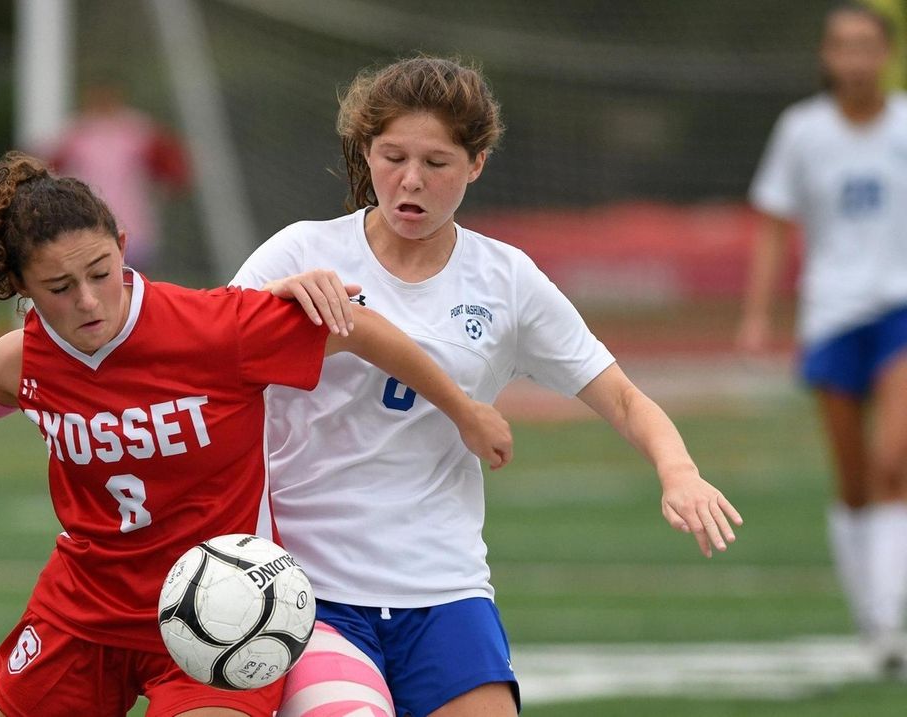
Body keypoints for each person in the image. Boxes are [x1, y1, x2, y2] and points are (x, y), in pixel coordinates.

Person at [0, 152, 513, 717]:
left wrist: (463, 408)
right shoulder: (28, 356)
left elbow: (361, 330)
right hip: (80, 613)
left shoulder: (217, 328)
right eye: (58, 287)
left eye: (101, 270)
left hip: (217, 618)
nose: (87, 299)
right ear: (21, 289)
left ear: (122, 243)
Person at [232, 56, 744, 716]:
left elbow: (619, 394)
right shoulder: (300, 254)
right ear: (367, 151)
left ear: (476, 163)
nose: (410, 180)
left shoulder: (506, 280)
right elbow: (203, 356)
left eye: (437, 163)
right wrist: (272, 301)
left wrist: (680, 471)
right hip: (310, 587)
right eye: (392, 157)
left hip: (445, 588)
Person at [737, 3, 907, 676]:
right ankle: (873, 617)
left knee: (894, 458)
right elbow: (775, 225)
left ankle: (894, 616)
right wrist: (757, 314)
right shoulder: (801, 130)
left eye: (868, 45)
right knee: (853, 478)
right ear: (827, 56)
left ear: (887, 53)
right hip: (831, 315)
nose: (855, 58)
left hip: (900, 308)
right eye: (843, 45)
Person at [44, 80, 189, 274]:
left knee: (131, 284)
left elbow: (173, 168)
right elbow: (50, 168)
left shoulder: (138, 131)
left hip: (133, 223)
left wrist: (165, 187)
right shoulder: (78, 133)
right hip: (87, 222)